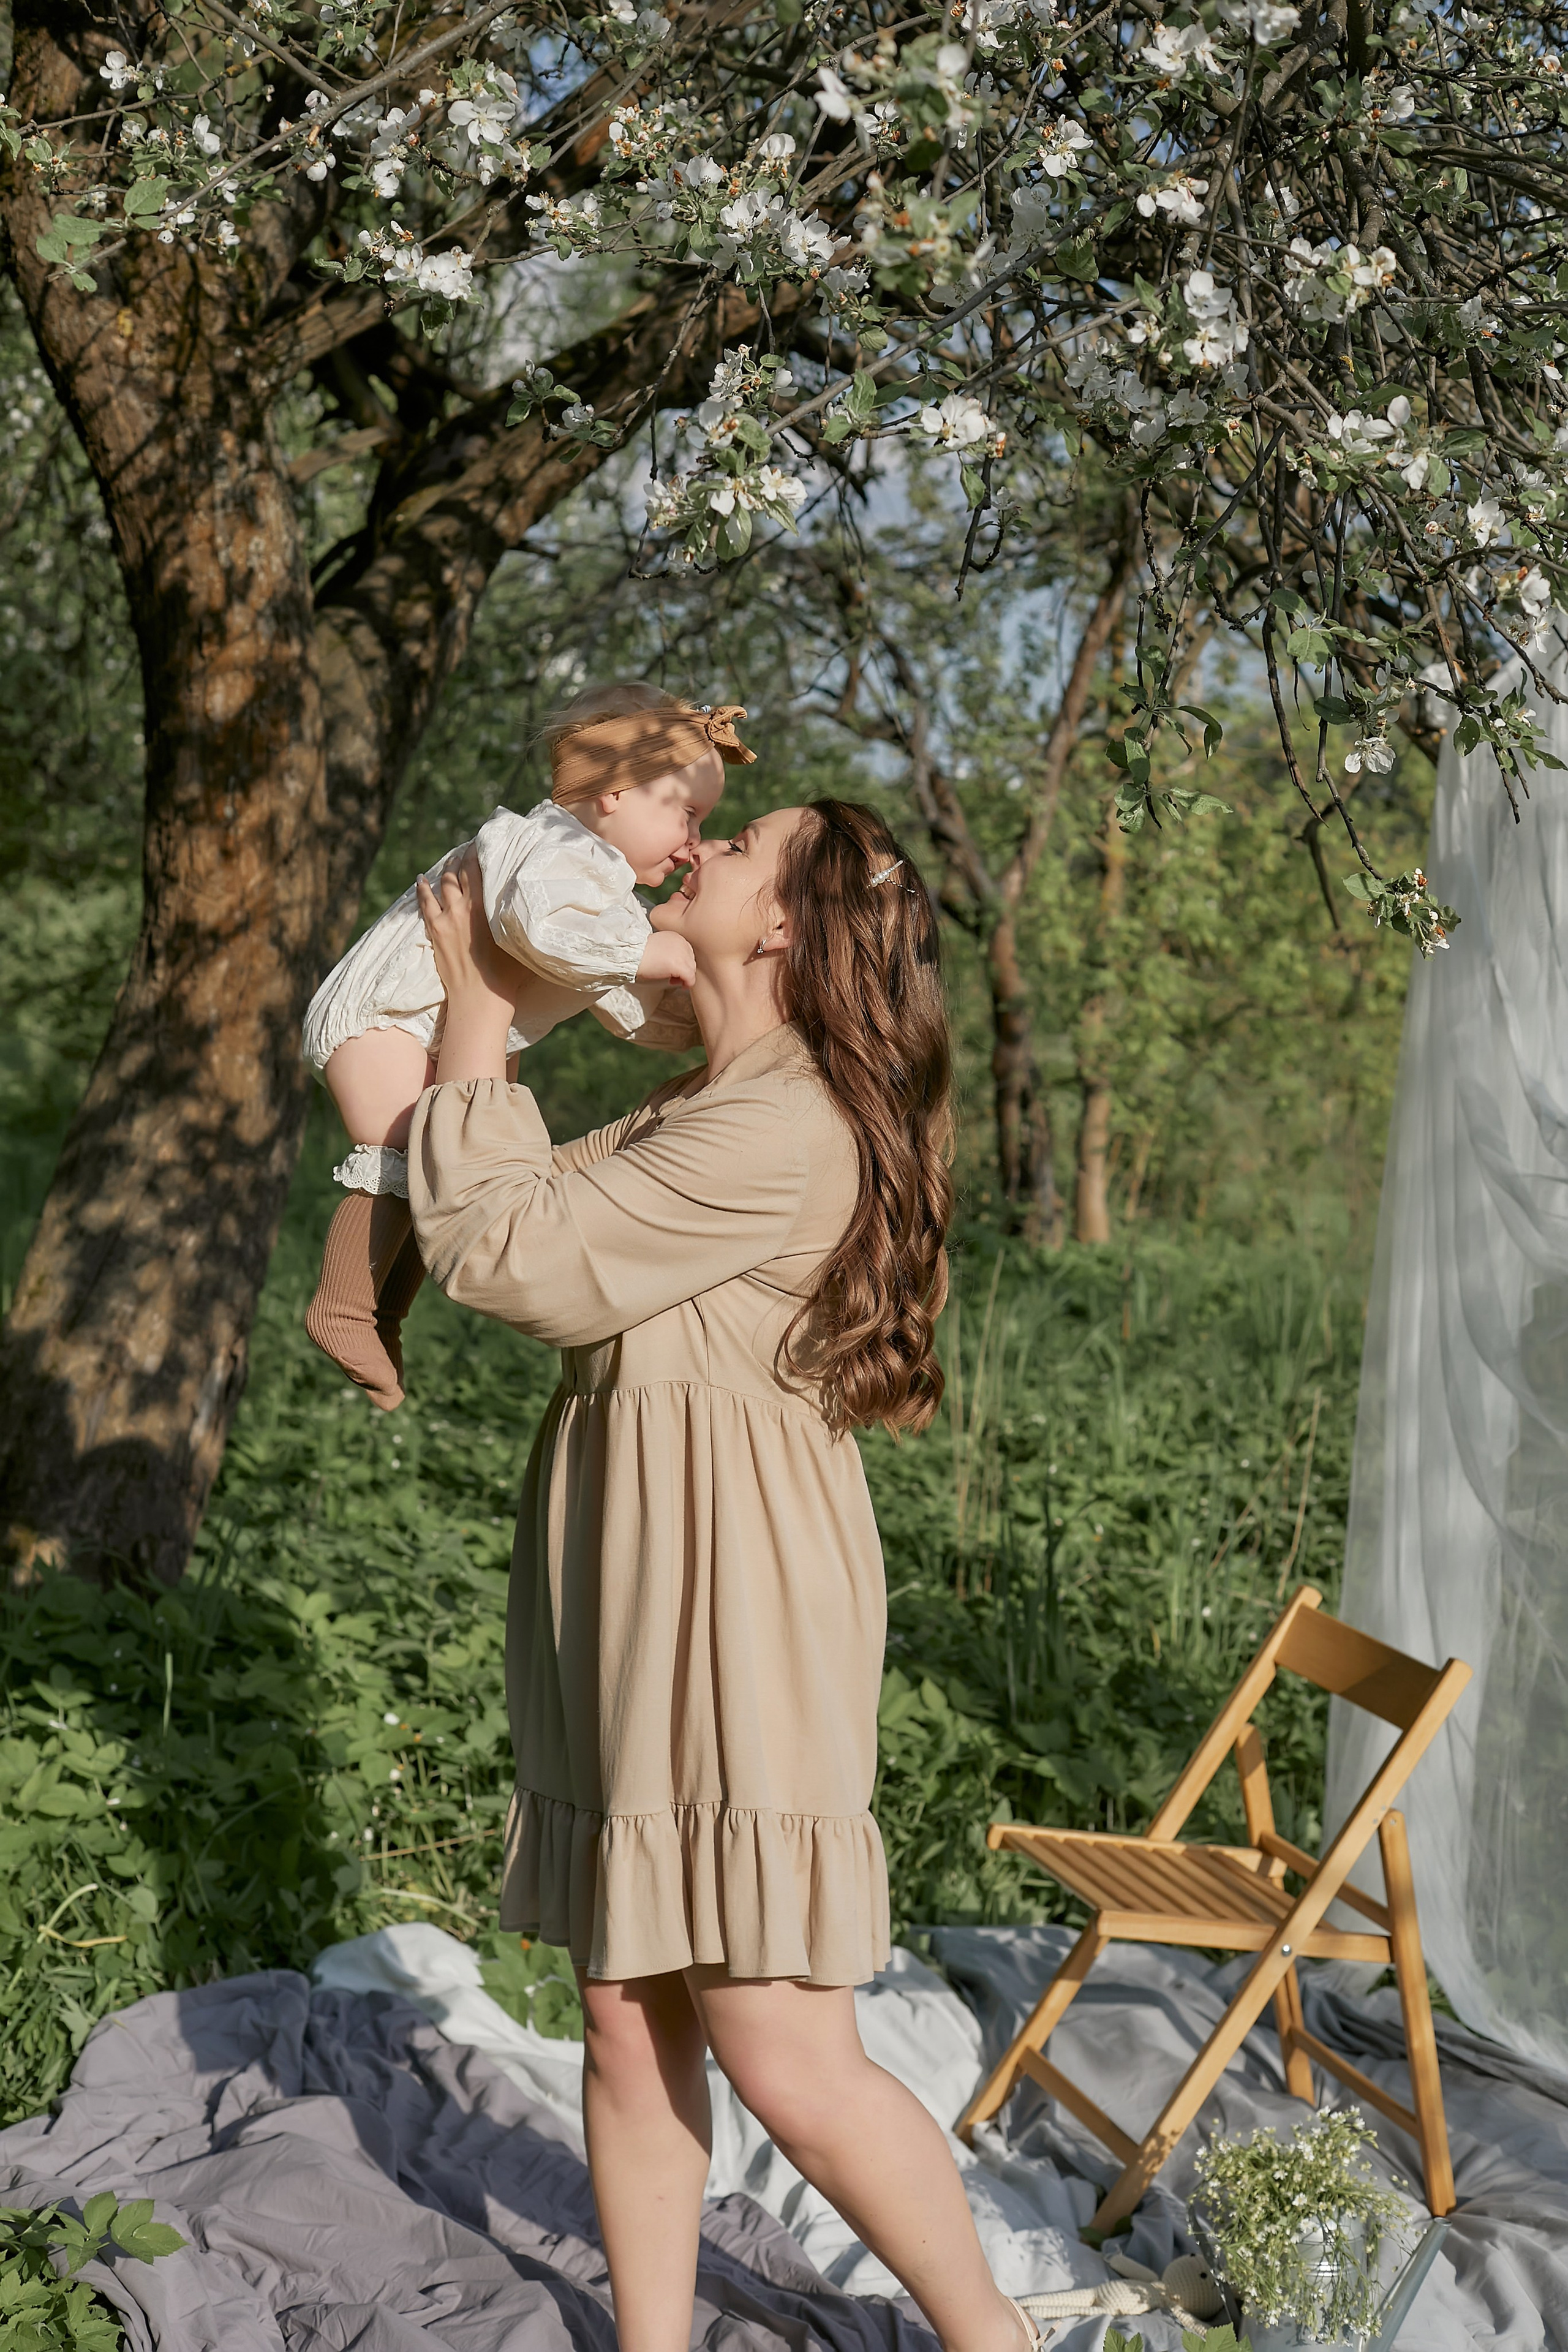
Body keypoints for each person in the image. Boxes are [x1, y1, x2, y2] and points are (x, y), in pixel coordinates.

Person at [409, 797, 1041, 2352]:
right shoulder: (727, 1088)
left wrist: (481, 1010)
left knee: (781, 2048)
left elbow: (505, 1253)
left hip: (737, 1602)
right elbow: (544, 1210)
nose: (698, 845)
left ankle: (993, 2342)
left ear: (781, 924)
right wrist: (541, 968)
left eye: (739, 840)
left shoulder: (784, 1121)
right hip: (638, 1581)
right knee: (628, 2021)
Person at [300, 682, 752, 1409]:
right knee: (415, 1147)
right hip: (391, 1017)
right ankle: (344, 1305)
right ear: (615, 792)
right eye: (688, 814)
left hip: (430, 1026)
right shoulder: (551, 850)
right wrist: (646, 957)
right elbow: (536, 933)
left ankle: (384, 1314)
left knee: (445, 1160)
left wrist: (699, 1019)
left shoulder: (600, 889)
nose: (693, 840)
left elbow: (616, 999)